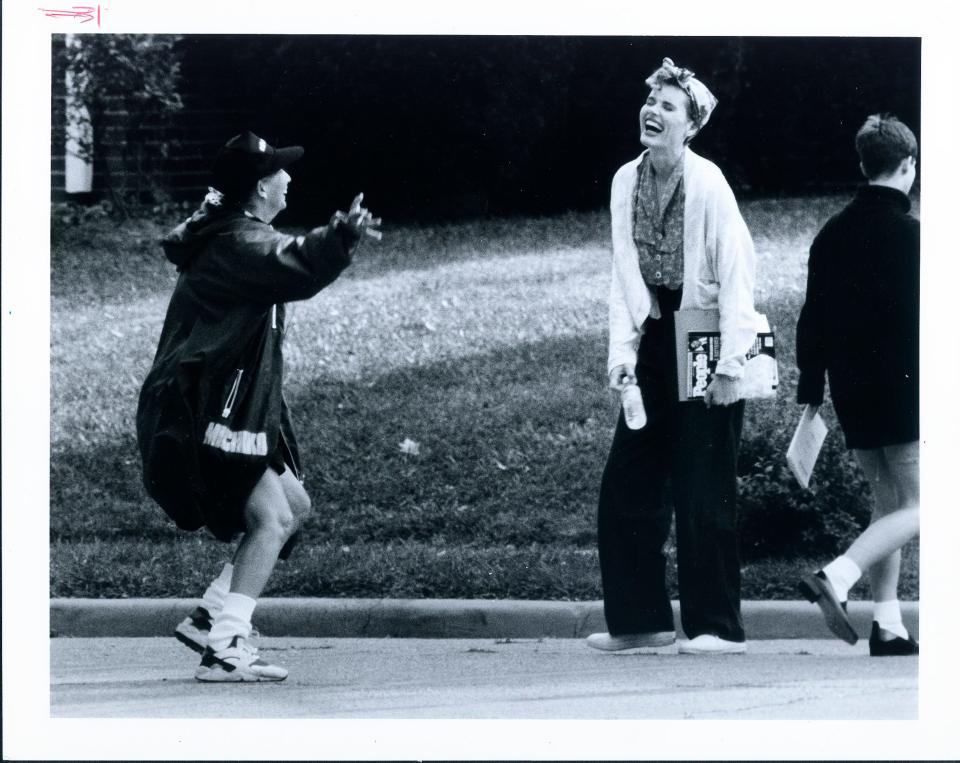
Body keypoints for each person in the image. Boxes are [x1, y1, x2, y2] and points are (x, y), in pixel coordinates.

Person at [136, 131, 381, 681]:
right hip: (199, 408)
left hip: (223, 405)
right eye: (279, 173)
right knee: (271, 518)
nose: (288, 178)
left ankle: (209, 617)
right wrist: (339, 236)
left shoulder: (232, 235)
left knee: (294, 508)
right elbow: (290, 261)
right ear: (259, 188)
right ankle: (225, 648)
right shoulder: (235, 243)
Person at [587, 58, 763, 655]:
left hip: (710, 334)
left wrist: (731, 365)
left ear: (692, 125)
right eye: (651, 101)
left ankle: (718, 628)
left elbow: (739, 275)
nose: (653, 111)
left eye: (668, 105)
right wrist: (622, 353)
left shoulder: (708, 183)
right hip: (657, 332)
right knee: (627, 482)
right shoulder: (623, 180)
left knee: (703, 483)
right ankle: (641, 622)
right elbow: (622, 274)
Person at [796, 114, 919, 656]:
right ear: (908, 166)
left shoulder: (830, 234)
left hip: (852, 390)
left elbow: (810, 320)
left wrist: (811, 394)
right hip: (907, 387)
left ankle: (888, 624)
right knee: (927, 501)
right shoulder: (914, 237)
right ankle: (839, 576)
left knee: (888, 501)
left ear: (862, 165)